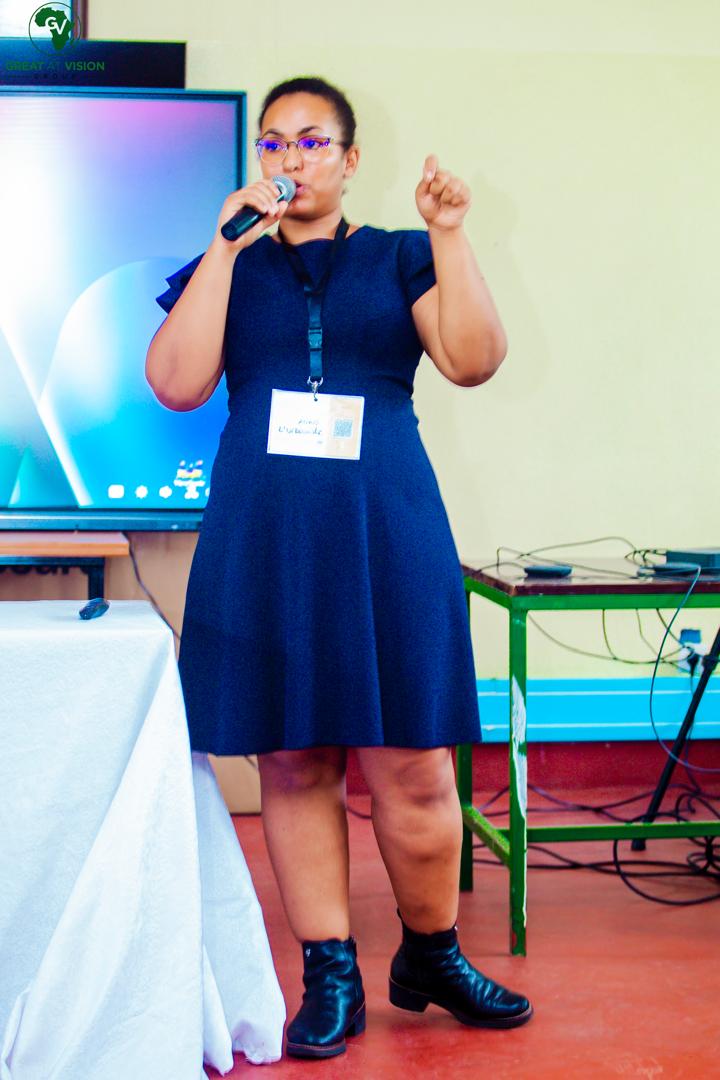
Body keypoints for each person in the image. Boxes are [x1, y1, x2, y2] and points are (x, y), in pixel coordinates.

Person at [146, 75, 532, 1060]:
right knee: (294, 757)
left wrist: (450, 233)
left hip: (386, 529)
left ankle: (432, 955)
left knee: (414, 760)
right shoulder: (229, 263)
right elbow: (177, 383)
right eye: (274, 143)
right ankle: (331, 974)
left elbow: (475, 358)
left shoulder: (402, 256)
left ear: (351, 160)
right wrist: (223, 249)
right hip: (266, 533)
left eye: (313, 141)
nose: (291, 158)